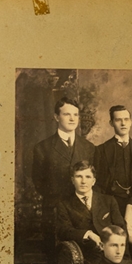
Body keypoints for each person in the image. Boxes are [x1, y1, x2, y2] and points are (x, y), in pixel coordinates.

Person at [32, 97, 97, 253]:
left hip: (82, 213)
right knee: (56, 259)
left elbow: (95, 179)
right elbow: (38, 181)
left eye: (75, 115)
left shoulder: (89, 147)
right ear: (56, 117)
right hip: (54, 212)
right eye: (67, 114)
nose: (72, 118)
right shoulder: (43, 148)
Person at [55, 161, 127, 264]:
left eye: (88, 177)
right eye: (79, 176)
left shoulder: (108, 200)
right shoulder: (64, 205)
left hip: (114, 252)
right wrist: (87, 234)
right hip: (85, 256)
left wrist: (124, 257)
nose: (83, 181)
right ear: (72, 180)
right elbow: (64, 231)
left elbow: (121, 227)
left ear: (93, 181)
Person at [95, 105, 132, 215]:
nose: (123, 123)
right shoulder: (101, 150)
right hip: (111, 205)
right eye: (118, 120)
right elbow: (97, 183)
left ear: (131, 122)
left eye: (126, 119)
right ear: (111, 123)